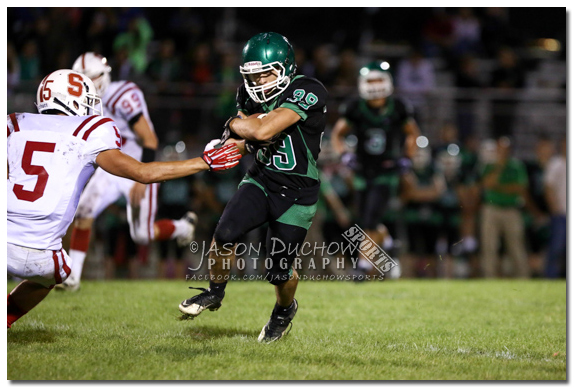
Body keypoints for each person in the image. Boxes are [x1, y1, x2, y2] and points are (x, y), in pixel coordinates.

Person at [7, 69, 242, 328]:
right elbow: (143, 172)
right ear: (71, 101)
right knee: (53, 274)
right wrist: (203, 162)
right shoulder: (89, 132)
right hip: (43, 256)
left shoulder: (14, 124)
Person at [177, 32, 328, 343]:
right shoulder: (249, 95)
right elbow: (247, 141)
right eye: (253, 75)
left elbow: (263, 130)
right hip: (262, 178)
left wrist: (233, 123)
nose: (259, 82)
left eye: (267, 72)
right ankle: (215, 292)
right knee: (225, 233)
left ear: (286, 67)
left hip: (298, 192)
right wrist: (232, 145)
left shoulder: (308, 89)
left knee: (277, 271)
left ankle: (284, 311)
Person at [57, 52, 193, 291]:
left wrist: (143, 179)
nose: (85, 85)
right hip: (112, 164)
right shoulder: (87, 103)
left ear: (103, 75)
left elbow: (150, 139)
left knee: (142, 235)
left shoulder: (121, 94)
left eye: (88, 79)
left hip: (138, 166)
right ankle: (73, 277)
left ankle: (183, 227)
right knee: (84, 213)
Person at [331, 60, 420, 277]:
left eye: (378, 79)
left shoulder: (398, 106)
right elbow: (337, 134)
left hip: (386, 170)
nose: (374, 85)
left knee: (369, 220)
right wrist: (344, 155)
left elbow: (412, 133)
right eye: (371, 80)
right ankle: (387, 240)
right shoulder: (355, 107)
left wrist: (408, 156)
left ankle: (362, 266)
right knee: (365, 220)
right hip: (362, 170)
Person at [479, 136, 529, 278]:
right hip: (492, 209)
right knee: (489, 246)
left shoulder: (516, 166)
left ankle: (522, 277)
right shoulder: (490, 165)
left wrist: (499, 187)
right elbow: (487, 184)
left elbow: (520, 188)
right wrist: (499, 167)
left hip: (511, 209)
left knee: (516, 246)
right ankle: (489, 278)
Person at [543, 136, 566, 278]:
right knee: (556, 249)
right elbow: (548, 188)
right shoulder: (556, 163)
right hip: (561, 214)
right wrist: (555, 210)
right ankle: (550, 277)